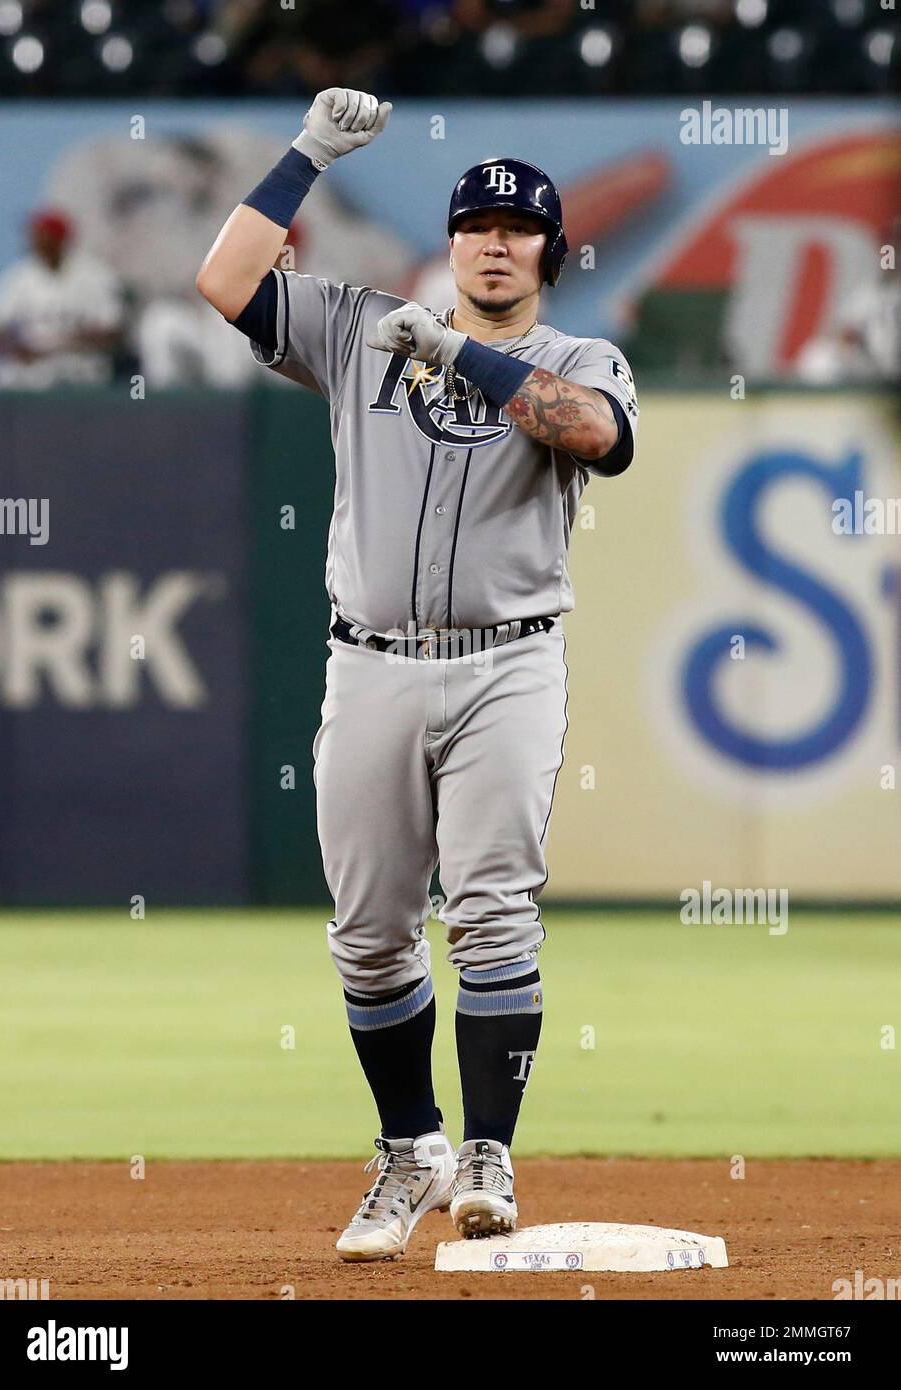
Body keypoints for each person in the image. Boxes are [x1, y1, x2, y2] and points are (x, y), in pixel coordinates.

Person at [197, 87, 639, 1262]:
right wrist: (305, 156)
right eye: (477, 224)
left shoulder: (578, 354)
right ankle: (412, 1148)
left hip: (507, 663)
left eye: (520, 226)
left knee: (493, 912)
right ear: (450, 242)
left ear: (550, 248)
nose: (496, 241)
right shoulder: (361, 327)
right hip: (373, 664)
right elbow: (225, 282)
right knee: (369, 933)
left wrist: (461, 354)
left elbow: (592, 432)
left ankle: (490, 1151)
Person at [0, 209, 123, 390]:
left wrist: (65, 342)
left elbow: (115, 331)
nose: (34, 240)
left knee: (72, 374)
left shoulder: (94, 274)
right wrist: (16, 349)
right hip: (34, 360)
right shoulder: (20, 276)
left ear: (59, 240)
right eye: (34, 234)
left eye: (41, 234)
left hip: (80, 360)